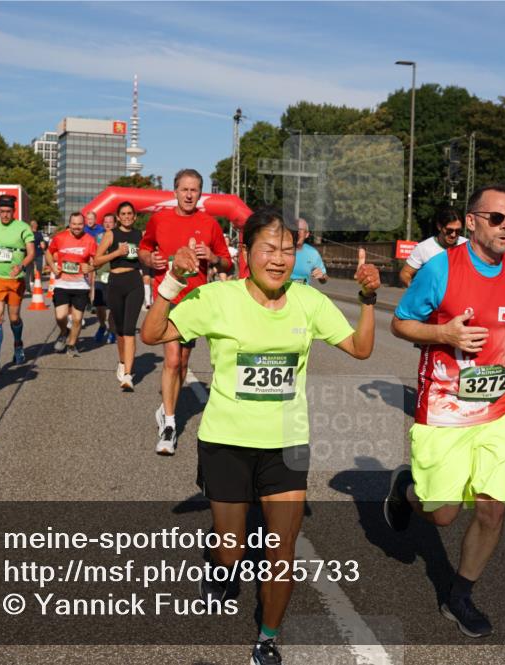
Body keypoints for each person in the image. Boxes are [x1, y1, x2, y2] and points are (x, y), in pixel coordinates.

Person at [141, 208, 380, 665]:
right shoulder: (217, 298)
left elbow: (360, 347)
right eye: (268, 249)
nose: (278, 259)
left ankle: (266, 640)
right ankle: (220, 566)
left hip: (287, 443)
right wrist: (173, 279)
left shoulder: (307, 301)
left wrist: (368, 299)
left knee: (281, 550)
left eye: (287, 250)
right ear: (245, 251)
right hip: (227, 441)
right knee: (231, 550)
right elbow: (152, 334)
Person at [384, 184, 505, 638]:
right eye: (497, 218)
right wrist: (444, 335)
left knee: (493, 510)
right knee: (443, 514)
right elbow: (399, 323)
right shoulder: (440, 269)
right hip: (444, 408)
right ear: (472, 222)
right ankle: (406, 490)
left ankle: (460, 595)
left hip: (499, 408)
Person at [140, 168, 232, 455]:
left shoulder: (210, 224)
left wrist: (213, 257)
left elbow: (227, 263)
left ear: (200, 193)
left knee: (182, 363)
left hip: (194, 301)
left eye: (194, 190)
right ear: (175, 191)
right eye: (184, 189)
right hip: (167, 297)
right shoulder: (159, 219)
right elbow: (144, 249)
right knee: (171, 359)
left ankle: (166, 407)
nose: (189, 195)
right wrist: (150, 259)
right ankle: (169, 424)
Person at [94, 202, 145, 391]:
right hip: (115, 282)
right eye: (123, 214)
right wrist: (116, 252)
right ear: (118, 217)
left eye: (130, 213)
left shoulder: (140, 235)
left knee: (130, 329)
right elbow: (97, 260)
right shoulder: (111, 234)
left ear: (135, 216)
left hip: (134, 282)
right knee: (120, 330)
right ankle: (123, 362)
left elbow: (146, 257)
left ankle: (128, 375)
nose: (127, 216)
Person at [0, 195, 35, 374]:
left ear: (14, 211)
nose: (5, 215)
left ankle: (18, 344)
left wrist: (21, 265)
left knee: (14, 318)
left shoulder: (23, 227)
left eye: (8, 211)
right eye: (2, 211)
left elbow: (31, 253)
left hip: (15, 280)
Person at [45, 213, 97, 356]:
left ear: (84, 224)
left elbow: (97, 260)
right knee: (60, 316)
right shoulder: (60, 238)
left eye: (80, 224)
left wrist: (91, 267)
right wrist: (53, 267)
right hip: (62, 283)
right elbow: (48, 253)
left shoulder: (90, 240)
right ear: (69, 224)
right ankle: (64, 332)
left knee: (77, 319)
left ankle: (72, 345)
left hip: (81, 285)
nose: (77, 227)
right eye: (74, 224)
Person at [399, 206, 468, 287]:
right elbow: (405, 273)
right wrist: (416, 289)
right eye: (449, 230)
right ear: (439, 226)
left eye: (458, 231)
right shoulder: (423, 248)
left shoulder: (468, 246)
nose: (453, 235)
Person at [92, 213, 118, 345]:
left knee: (113, 306)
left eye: (110, 222)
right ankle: (102, 326)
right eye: (105, 222)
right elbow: (92, 255)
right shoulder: (98, 237)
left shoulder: (119, 237)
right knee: (99, 306)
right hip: (100, 275)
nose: (108, 224)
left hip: (115, 275)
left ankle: (112, 331)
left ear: (115, 223)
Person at [290, 218, 327, 285]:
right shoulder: (281, 249)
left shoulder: (313, 253)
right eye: (295, 229)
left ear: (307, 234)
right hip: (282, 290)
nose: (297, 232)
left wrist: (322, 276)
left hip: (303, 290)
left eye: (300, 230)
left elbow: (324, 280)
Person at [25, 220, 47, 294]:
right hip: (38, 254)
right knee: (39, 271)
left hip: (28, 254)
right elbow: (43, 246)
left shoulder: (27, 234)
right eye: (37, 224)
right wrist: (44, 246)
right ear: (35, 226)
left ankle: (27, 288)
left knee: (28, 271)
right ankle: (38, 286)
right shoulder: (39, 234)